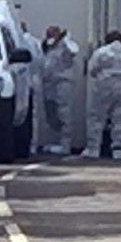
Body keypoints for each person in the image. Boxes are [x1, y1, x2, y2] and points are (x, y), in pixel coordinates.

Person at [85, 31, 121, 160]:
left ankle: (93, 148)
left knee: (96, 117)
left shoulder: (101, 52)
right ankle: (118, 149)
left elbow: (92, 70)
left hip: (103, 86)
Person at [42, 26, 79, 155]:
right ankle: (54, 142)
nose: (50, 37)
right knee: (51, 114)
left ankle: (65, 144)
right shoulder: (47, 49)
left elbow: (74, 50)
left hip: (63, 84)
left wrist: (66, 39)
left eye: (52, 34)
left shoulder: (66, 47)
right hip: (49, 85)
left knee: (64, 113)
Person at [21, 23, 46, 155]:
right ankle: (33, 145)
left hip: (22, 80)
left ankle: (24, 143)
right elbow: (42, 62)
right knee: (34, 114)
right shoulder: (35, 42)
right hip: (35, 80)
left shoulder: (18, 41)